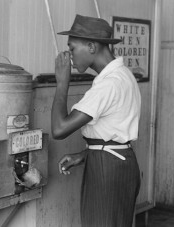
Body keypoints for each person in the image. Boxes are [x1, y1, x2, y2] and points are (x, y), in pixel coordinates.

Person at [51, 14, 141, 227]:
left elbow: (59, 129)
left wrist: (62, 83)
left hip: (107, 169)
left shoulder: (109, 84)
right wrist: (85, 155)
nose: (70, 56)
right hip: (118, 161)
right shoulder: (123, 75)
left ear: (91, 46)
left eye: (72, 49)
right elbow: (114, 133)